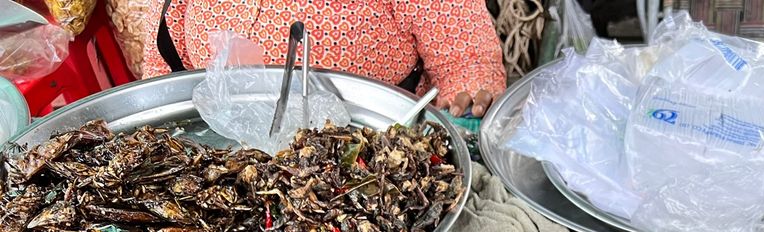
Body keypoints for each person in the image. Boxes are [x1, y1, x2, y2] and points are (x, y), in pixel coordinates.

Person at [141, 0, 507, 117]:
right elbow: (164, 64)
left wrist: (468, 103)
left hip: (364, 165)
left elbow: (466, 62)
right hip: (215, 164)